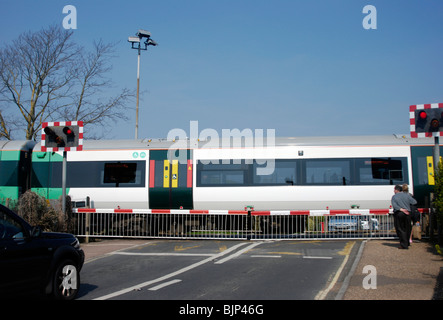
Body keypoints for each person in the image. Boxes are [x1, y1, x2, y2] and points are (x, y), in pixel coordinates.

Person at [391, 184, 417, 249]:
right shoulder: (407, 195)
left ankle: (403, 244)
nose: (394, 191)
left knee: (400, 228)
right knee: (407, 228)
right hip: (408, 213)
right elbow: (414, 202)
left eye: (394, 189)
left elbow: (395, 205)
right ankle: (407, 242)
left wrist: (401, 209)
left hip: (399, 213)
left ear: (396, 190)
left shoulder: (394, 197)